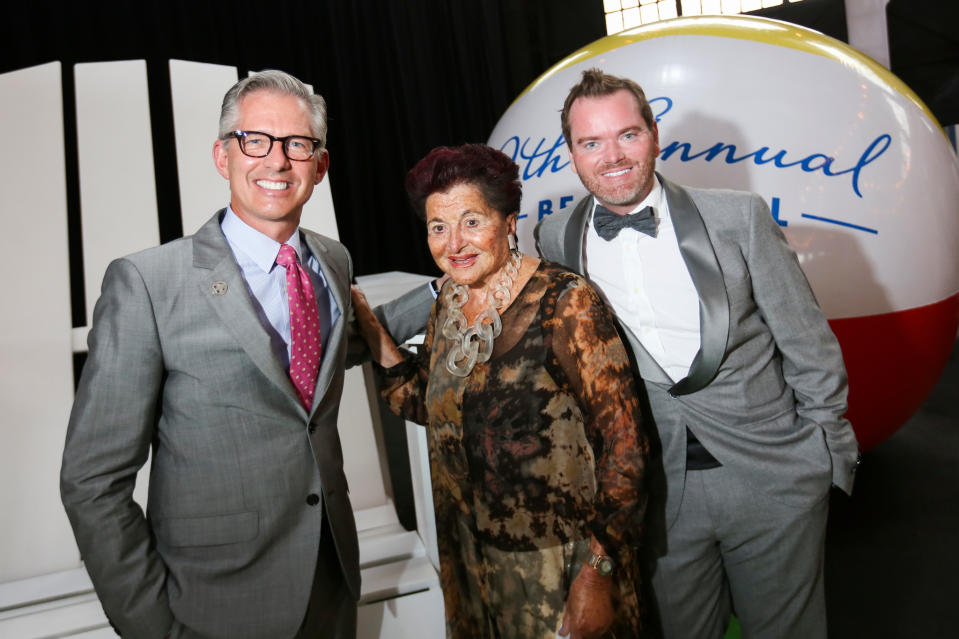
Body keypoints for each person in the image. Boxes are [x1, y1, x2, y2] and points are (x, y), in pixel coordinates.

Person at [535, 68, 861, 638]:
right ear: (571, 153)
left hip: (772, 478)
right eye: (591, 142)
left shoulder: (739, 217)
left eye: (627, 135)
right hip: (656, 495)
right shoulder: (554, 237)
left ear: (654, 135)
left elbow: (809, 344)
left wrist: (824, 457)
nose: (612, 156)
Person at [61, 70, 363, 639]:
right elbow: (92, 482)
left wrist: (450, 293)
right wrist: (153, 628)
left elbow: (311, 370)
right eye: (255, 140)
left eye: (298, 144)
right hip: (214, 606)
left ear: (320, 166)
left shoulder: (333, 260)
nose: (277, 162)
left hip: (331, 586)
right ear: (223, 156)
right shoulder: (148, 284)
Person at [351, 143, 649, 639]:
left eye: (472, 221)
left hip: (559, 570)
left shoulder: (565, 302)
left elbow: (627, 450)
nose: (454, 244)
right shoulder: (450, 297)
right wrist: (375, 334)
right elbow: (433, 407)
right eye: (438, 227)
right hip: (470, 566)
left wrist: (598, 576)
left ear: (509, 221)